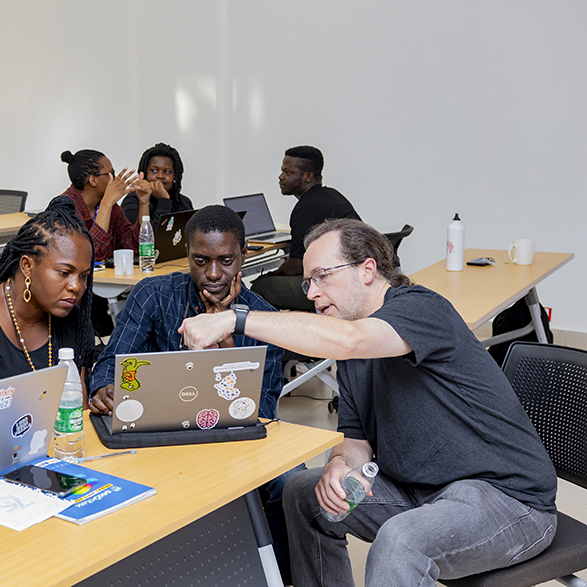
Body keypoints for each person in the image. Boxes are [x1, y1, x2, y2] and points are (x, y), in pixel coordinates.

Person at [179, 218, 558, 586]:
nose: (311, 292)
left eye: (322, 277)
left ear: (367, 269)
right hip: (419, 494)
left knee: (402, 541)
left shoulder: (419, 309)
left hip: (507, 502)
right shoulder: (354, 351)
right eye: (308, 281)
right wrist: (340, 469)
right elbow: (355, 440)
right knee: (302, 493)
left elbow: (350, 338)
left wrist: (235, 319)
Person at [89, 205, 301, 584]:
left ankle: (282, 577)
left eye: (226, 261)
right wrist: (105, 387)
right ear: (187, 255)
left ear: (244, 256)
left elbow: (261, 409)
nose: (214, 274)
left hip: (234, 445)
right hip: (157, 437)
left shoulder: (264, 318)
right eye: (201, 261)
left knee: (291, 484)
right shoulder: (153, 295)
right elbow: (110, 363)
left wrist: (226, 343)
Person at [0, 196, 95, 393]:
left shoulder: (76, 324)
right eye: (64, 273)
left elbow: (77, 412)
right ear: (27, 266)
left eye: (84, 276)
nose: (76, 286)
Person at [251, 146, 360, 312]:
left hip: (336, 286)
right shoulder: (332, 195)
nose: (281, 177)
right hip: (354, 278)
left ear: (308, 177)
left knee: (261, 287)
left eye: (288, 172)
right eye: (282, 171)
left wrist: (271, 275)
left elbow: (295, 266)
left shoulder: (306, 208)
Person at [59, 149, 146, 262]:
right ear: (93, 180)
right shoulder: (65, 208)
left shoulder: (110, 206)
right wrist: (106, 204)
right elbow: (89, 256)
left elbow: (134, 246)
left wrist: (144, 203)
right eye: (111, 173)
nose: (114, 179)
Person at [120, 142, 194, 230]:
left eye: (167, 171)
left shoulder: (184, 203)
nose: (160, 176)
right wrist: (164, 201)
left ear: (175, 176)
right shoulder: (133, 201)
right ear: (145, 173)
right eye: (154, 170)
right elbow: (150, 239)